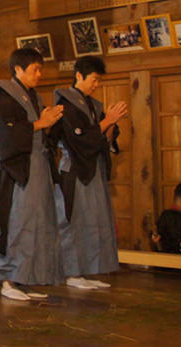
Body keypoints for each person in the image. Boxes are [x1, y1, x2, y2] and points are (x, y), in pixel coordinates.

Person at [0, 48, 64, 301]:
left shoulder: (34, 97)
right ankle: (6, 279)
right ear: (17, 69)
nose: (39, 74)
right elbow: (5, 133)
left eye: (40, 69)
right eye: (34, 69)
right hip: (17, 168)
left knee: (35, 223)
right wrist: (41, 124)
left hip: (37, 167)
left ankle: (24, 277)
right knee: (15, 222)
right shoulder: (5, 93)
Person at [50, 56, 127, 289]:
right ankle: (72, 273)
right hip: (74, 168)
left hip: (94, 169)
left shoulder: (94, 105)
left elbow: (103, 137)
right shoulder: (66, 103)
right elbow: (79, 138)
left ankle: (89, 271)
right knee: (74, 221)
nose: (96, 85)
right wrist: (107, 122)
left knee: (95, 220)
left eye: (98, 81)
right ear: (79, 76)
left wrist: (112, 123)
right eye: (93, 80)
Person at [153, 183, 181, 254]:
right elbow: (159, 232)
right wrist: (156, 236)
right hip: (168, 254)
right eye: (179, 201)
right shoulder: (167, 215)